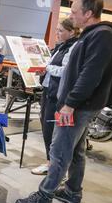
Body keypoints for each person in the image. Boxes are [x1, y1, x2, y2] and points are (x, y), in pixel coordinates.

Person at [16, 0, 112, 203]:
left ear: (88, 13)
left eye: (74, 11)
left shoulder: (102, 35)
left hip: (79, 106)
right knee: (76, 150)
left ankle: (44, 196)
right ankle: (73, 192)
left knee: (59, 150)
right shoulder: (93, 34)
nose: (71, 16)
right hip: (81, 104)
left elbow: (90, 75)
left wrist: (69, 104)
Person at [31, 19, 80, 175]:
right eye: (57, 30)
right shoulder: (60, 47)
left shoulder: (72, 48)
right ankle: (50, 163)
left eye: (60, 30)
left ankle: (56, 168)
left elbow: (66, 72)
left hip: (59, 96)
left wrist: (47, 68)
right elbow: (53, 69)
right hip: (49, 91)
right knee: (47, 130)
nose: (57, 33)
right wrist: (44, 71)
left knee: (54, 131)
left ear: (71, 32)